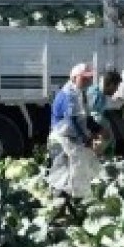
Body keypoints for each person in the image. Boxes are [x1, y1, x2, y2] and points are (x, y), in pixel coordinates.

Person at [46, 63, 105, 221]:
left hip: (72, 140)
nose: (88, 81)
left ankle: (70, 211)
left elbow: (84, 117)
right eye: (84, 78)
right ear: (74, 78)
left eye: (89, 78)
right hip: (62, 141)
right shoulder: (68, 94)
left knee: (76, 175)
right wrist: (85, 138)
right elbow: (71, 120)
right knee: (62, 177)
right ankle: (56, 214)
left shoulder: (80, 93)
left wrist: (97, 129)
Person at [86, 70, 123, 154]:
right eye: (116, 86)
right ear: (111, 84)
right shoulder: (95, 95)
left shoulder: (101, 94)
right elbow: (90, 116)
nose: (116, 90)